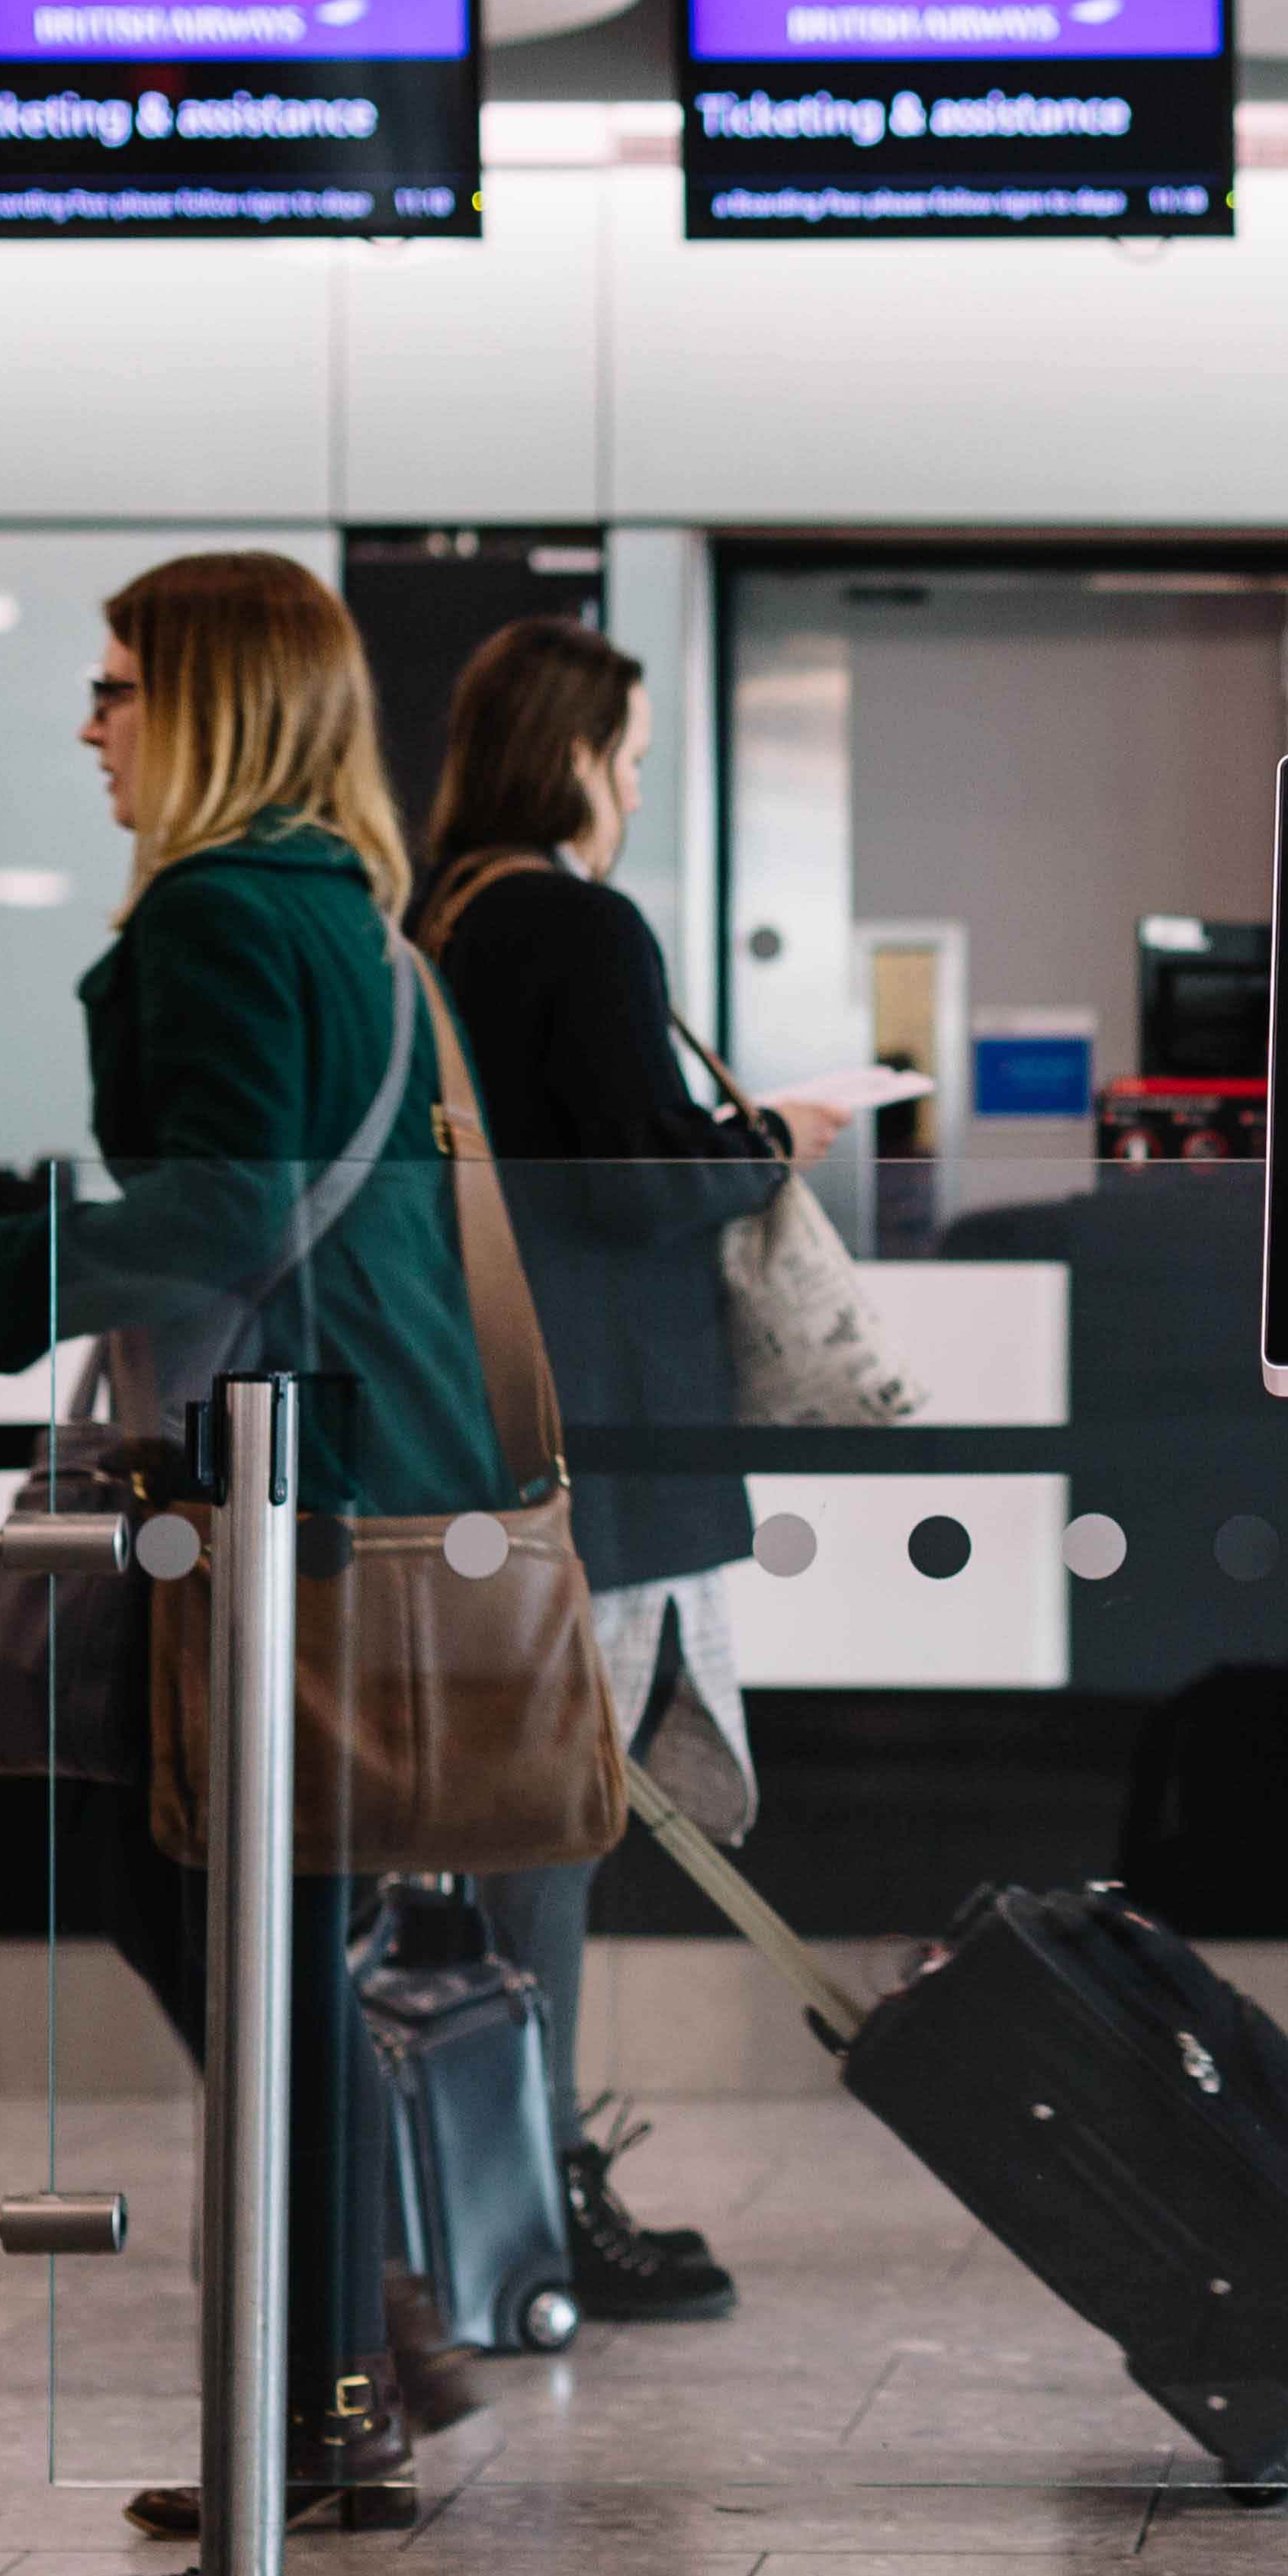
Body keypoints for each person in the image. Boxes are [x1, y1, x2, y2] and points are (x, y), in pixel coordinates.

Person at [0, 548, 527, 2536]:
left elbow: (211, 1215)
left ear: (205, 705)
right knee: (256, 1927)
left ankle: (339, 2372)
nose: (93, 724)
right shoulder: (344, 911)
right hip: (384, 1475)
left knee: (218, 1914)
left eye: (120, 688)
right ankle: (353, 2353)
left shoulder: (215, 908)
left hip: (285, 1492)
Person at [418, 616, 856, 2327]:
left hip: (484, 1426)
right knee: (559, 1827)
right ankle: (532, 2205)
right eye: (635, 758)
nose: (635, 789)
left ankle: (486, 2183)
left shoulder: (434, 916)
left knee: (492, 1832)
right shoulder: (573, 923)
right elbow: (624, 1176)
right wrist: (766, 1142)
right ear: (576, 755)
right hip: (604, 1436)